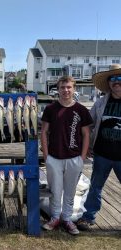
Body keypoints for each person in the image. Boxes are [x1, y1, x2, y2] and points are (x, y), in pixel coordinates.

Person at [41, 76, 92, 235]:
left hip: (74, 158)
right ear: (58, 89)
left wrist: (82, 157)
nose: (66, 90)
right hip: (54, 158)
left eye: (69, 87)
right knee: (55, 191)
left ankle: (68, 219)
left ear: (74, 89)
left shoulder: (81, 110)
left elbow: (86, 135)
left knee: (70, 192)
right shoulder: (50, 109)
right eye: (63, 87)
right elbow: (43, 132)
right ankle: (55, 217)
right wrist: (46, 156)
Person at [77, 64, 121, 231]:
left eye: (119, 78)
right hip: (102, 153)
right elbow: (88, 126)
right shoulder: (101, 102)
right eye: (113, 79)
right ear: (109, 83)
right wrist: (85, 146)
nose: (116, 82)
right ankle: (88, 217)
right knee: (96, 187)